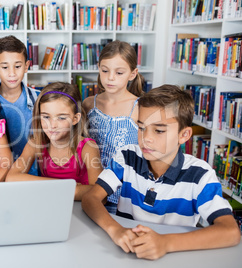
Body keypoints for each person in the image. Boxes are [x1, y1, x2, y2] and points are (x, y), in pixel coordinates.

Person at [82, 85, 241, 260]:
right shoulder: (127, 156)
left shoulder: (200, 175)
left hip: (173, 258)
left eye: (159, 130)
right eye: (141, 128)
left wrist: (165, 243)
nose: (145, 138)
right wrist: (116, 229)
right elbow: (91, 198)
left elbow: (231, 232)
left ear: (184, 135)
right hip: (127, 254)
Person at [6, 82, 103, 201]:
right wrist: (67, 186)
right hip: (48, 205)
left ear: (75, 119)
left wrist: (47, 187)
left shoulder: (87, 147)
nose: (52, 125)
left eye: (61, 118)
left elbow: (100, 195)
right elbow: (11, 178)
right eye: (46, 117)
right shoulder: (36, 143)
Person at [82, 40, 145, 214]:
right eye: (105, 70)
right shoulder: (88, 104)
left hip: (126, 192)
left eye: (119, 72)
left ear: (132, 74)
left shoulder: (140, 107)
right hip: (92, 187)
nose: (110, 78)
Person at [0, 35, 40, 176]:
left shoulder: (40, 99)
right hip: (0, 176)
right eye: (5, 67)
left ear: (26, 66)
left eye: (17, 66)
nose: (12, 73)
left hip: (36, 175)